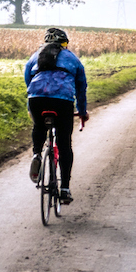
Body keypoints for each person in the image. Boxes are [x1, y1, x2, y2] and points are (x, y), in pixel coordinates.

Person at [24, 27, 89, 204]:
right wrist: (82, 111)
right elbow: (81, 88)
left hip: (36, 98)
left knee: (38, 126)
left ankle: (37, 154)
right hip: (62, 101)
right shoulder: (72, 58)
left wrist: (34, 97)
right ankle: (65, 188)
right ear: (65, 44)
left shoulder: (35, 56)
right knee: (64, 143)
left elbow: (27, 78)